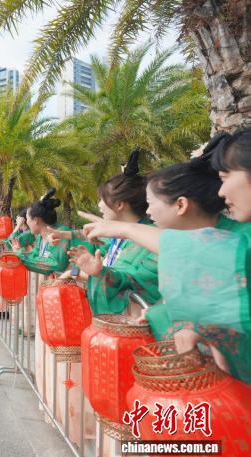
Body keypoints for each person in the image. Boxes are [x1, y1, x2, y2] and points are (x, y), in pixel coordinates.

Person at [81, 129, 251, 383]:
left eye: (225, 177)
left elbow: (215, 257)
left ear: (181, 204)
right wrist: (161, 316)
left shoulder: (236, 241)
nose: (221, 191)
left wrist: (126, 230)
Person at [54, 150, 161, 317]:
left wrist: (95, 273)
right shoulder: (120, 237)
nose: (99, 205)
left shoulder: (147, 241)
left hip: (133, 325)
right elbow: (92, 237)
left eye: (102, 199)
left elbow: (134, 283)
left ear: (119, 205)